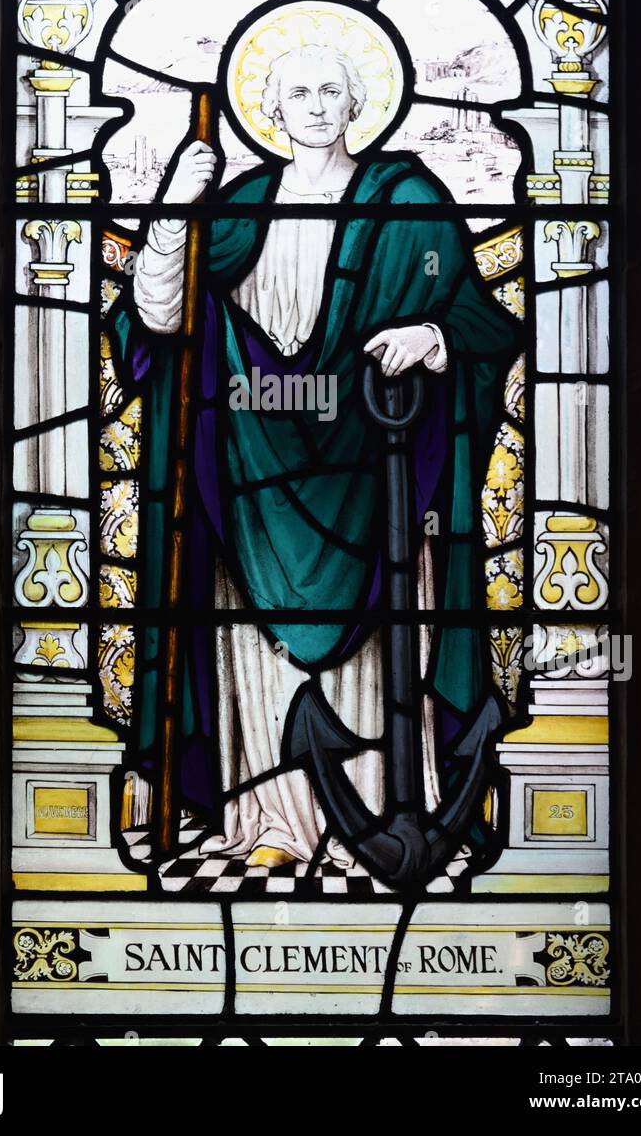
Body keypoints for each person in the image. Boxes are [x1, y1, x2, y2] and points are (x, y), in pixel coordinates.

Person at [119, 43, 519, 874]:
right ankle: (266, 820)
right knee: (252, 645)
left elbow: (481, 321)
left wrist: (434, 337)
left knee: (382, 643)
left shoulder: (407, 200)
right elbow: (161, 322)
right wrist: (170, 219)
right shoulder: (236, 209)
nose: (312, 104)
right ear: (268, 106)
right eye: (295, 90)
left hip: (379, 482)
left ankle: (372, 815)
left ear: (355, 105)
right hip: (250, 483)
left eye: (329, 90)